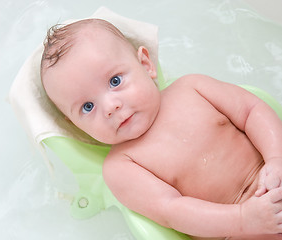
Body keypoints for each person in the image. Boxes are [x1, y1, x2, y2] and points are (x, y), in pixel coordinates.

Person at [40, 19, 282, 240]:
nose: (110, 107)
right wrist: (243, 219)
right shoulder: (122, 167)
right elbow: (172, 210)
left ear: (146, 65)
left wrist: (275, 158)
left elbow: (252, 111)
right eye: (87, 106)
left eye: (115, 81)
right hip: (235, 230)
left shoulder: (193, 88)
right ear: (75, 124)